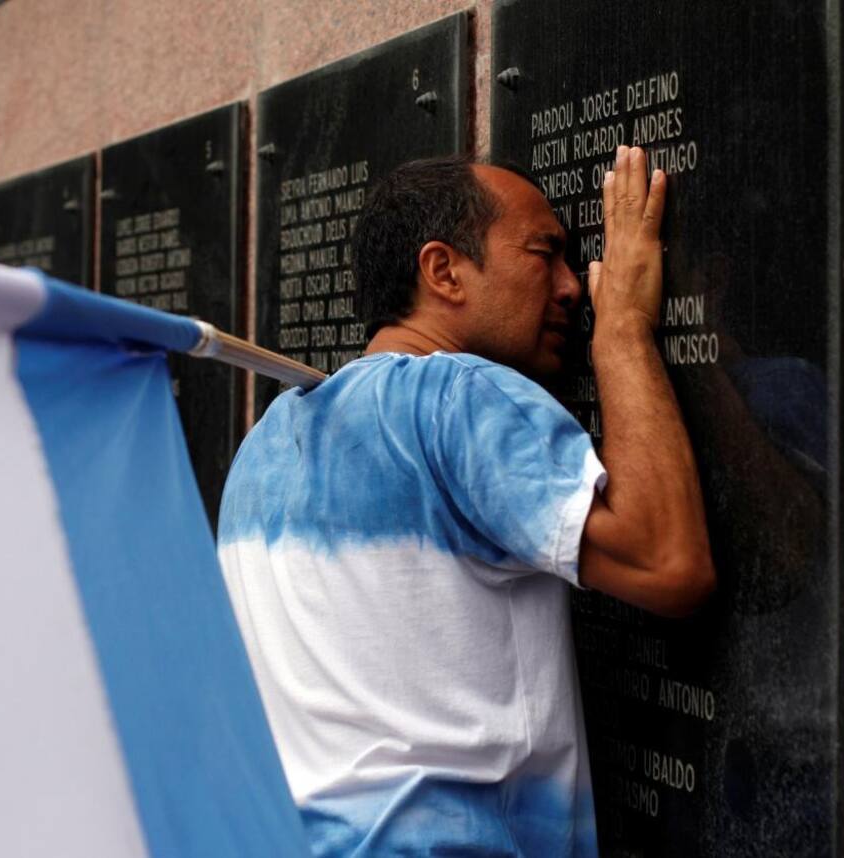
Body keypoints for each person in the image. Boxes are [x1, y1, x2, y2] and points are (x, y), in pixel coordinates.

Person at [217, 147, 715, 857]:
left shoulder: (262, 448)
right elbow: (668, 564)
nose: (574, 287)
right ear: (443, 271)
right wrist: (625, 329)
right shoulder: (455, 396)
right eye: (545, 252)